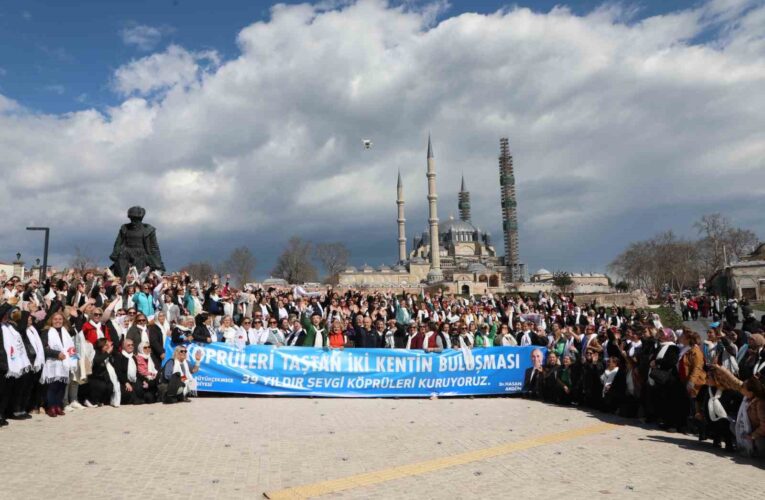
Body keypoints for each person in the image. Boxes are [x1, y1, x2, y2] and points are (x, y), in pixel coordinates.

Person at [40, 312, 76, 417]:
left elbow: (71, 346)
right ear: (51, 320)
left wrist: (74, 360)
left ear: (63, 321)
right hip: (53, 362)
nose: (58, 321)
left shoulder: (66, 332)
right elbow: (44, 348)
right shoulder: (46, 331)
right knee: (53, 386)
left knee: (62, 385)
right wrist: (57, 354)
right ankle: (51, 407)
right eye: (55, 319)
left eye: (60, 319)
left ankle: (58, 406)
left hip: (65, 362)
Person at [112, 338, 146, 405]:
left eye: (132, 345)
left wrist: (143, 380)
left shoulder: (133, 357)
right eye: (128, 345)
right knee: (131, 395)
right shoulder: (119, 357)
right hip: (123, 381)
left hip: (133, 380)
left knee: (142, 392)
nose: (131, 346)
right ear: (124, 347)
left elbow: (136, 372)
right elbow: (118, 372)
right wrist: (126, 382)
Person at [87, 338, 115, 406]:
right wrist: (107, 353)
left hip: (103, 376)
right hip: (94, 377)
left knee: (110, 386)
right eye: (106, 345)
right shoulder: (96, 352)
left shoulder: (106, 354)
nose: (108, 347)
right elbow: (97, 361)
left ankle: (102, 400)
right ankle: (93, 401)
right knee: (101, 386)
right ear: (101, 346)